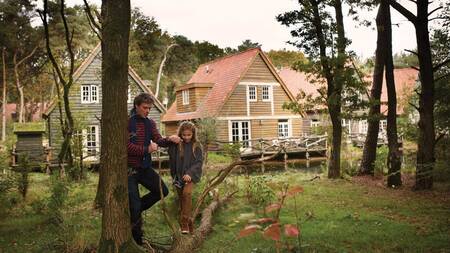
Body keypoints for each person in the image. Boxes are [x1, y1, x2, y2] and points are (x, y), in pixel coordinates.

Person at [127, 93, 181, 245]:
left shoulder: (150, 123)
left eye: (149, 108)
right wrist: (146, 150)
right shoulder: (127, 122)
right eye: (145, 108)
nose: (147, 111)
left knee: (163, 191)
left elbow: (158, 140)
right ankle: (137, 241)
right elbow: (126, 147)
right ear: (136, 106)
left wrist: (170, 139)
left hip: (144, 168)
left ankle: (133, 212)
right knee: (135, 206)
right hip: (130, 170)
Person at [165, 121, 203, 234]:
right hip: (179, 176)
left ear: (193, 134)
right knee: (183, 200)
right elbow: (170, 154)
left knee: (187, 194)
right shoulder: (177, 144)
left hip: (191, 176)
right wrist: (170, 139)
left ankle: (184, 223)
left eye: (189, 135)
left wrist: (190, 174)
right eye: (184, 135)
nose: (186, 137)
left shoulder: (197, 146)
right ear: (180, 134)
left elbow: (199, 162)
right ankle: (190, 223)